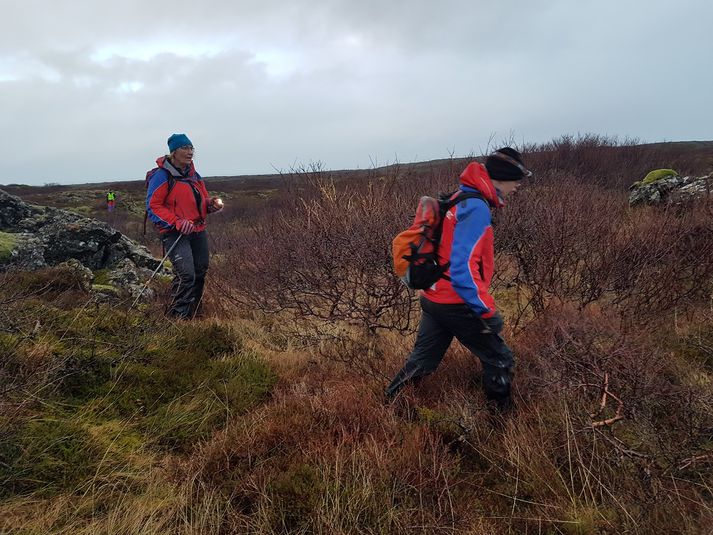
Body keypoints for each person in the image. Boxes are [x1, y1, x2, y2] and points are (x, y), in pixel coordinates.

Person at [386, 148, 532, 410]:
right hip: (455, 302)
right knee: (500, 359)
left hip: (434, 297)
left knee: (422, 360)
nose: (518, 186)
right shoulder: (476, 208)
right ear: (502, 178)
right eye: (516, 179)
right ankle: (501, 425)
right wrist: (485, 311)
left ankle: (389, 403)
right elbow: (463, 268)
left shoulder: (460, 197)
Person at [145, 133, 224, 319]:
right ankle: (176, 318)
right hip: (175, 233)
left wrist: (210, 204)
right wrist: (176, 222)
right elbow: (153, 207)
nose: (190, 152)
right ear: (174, 152)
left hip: (197, 230)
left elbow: (202, 200)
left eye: (191, 148)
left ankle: (194, 313)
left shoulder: (194, 175)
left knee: (200, 270)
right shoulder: (162, 176)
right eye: (185, 148)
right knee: (186, 275)